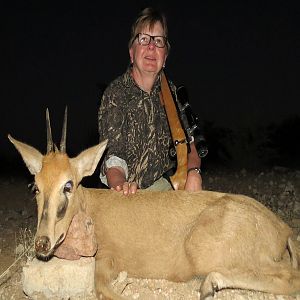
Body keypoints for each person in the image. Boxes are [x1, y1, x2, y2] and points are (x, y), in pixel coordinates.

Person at [98, 7, 202, 195]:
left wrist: (194, 173)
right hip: (127, 190)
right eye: (144, 39)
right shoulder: (115, 93)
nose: (151, 47)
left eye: (158, 41)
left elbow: (190, 146)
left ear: (165, 58)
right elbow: (114, 157)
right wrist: (121, 186)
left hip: (165, 186)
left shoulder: (172, 92)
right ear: (131, 53)